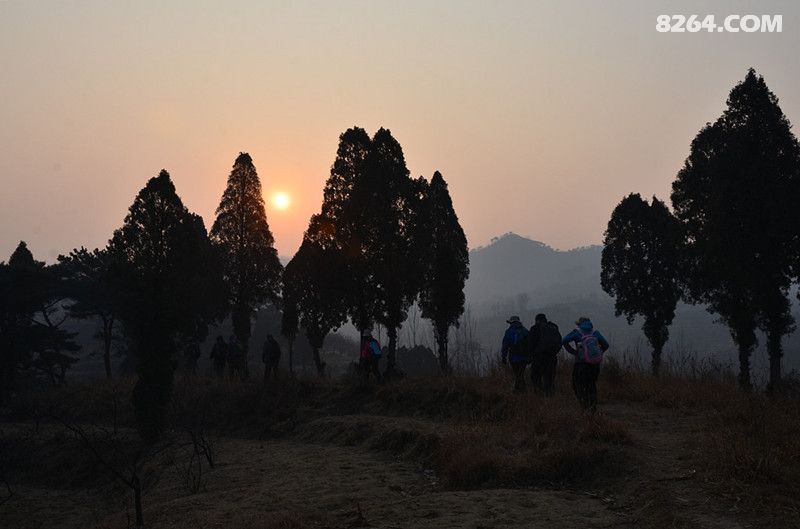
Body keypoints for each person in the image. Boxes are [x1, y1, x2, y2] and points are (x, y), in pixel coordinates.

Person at [562, 317, 609, 413]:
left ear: (579, 324)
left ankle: (584, 405)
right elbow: (606, 345)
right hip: (595, 365)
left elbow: (564, 340)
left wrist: (573, 352)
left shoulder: (576, 332)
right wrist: (599, 353)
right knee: (591, 385)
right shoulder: (595, 333)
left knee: (577, 385)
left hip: (581, 364)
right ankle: (592, 409)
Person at [528, 313, 562, 396]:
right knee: (549, 378)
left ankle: (539, 395)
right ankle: (549, 397)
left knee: (535, 376)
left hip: (538, 358)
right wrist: (554, 353)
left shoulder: (534, 328)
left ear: (537, 320)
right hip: (552, 357)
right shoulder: (553, 328)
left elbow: (530, 344)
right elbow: (559, 343)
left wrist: (531, 355)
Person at [501, 315, 530, 392]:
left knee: (517, 374)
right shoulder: (525, 331)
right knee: (520, 374)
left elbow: (505, 345)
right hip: (525, 357)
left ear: (511, 323)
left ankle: (518, 390)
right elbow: (531, 344)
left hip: (514, 357)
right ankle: (522, 390)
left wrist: (503, 357)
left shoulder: (509, 332)